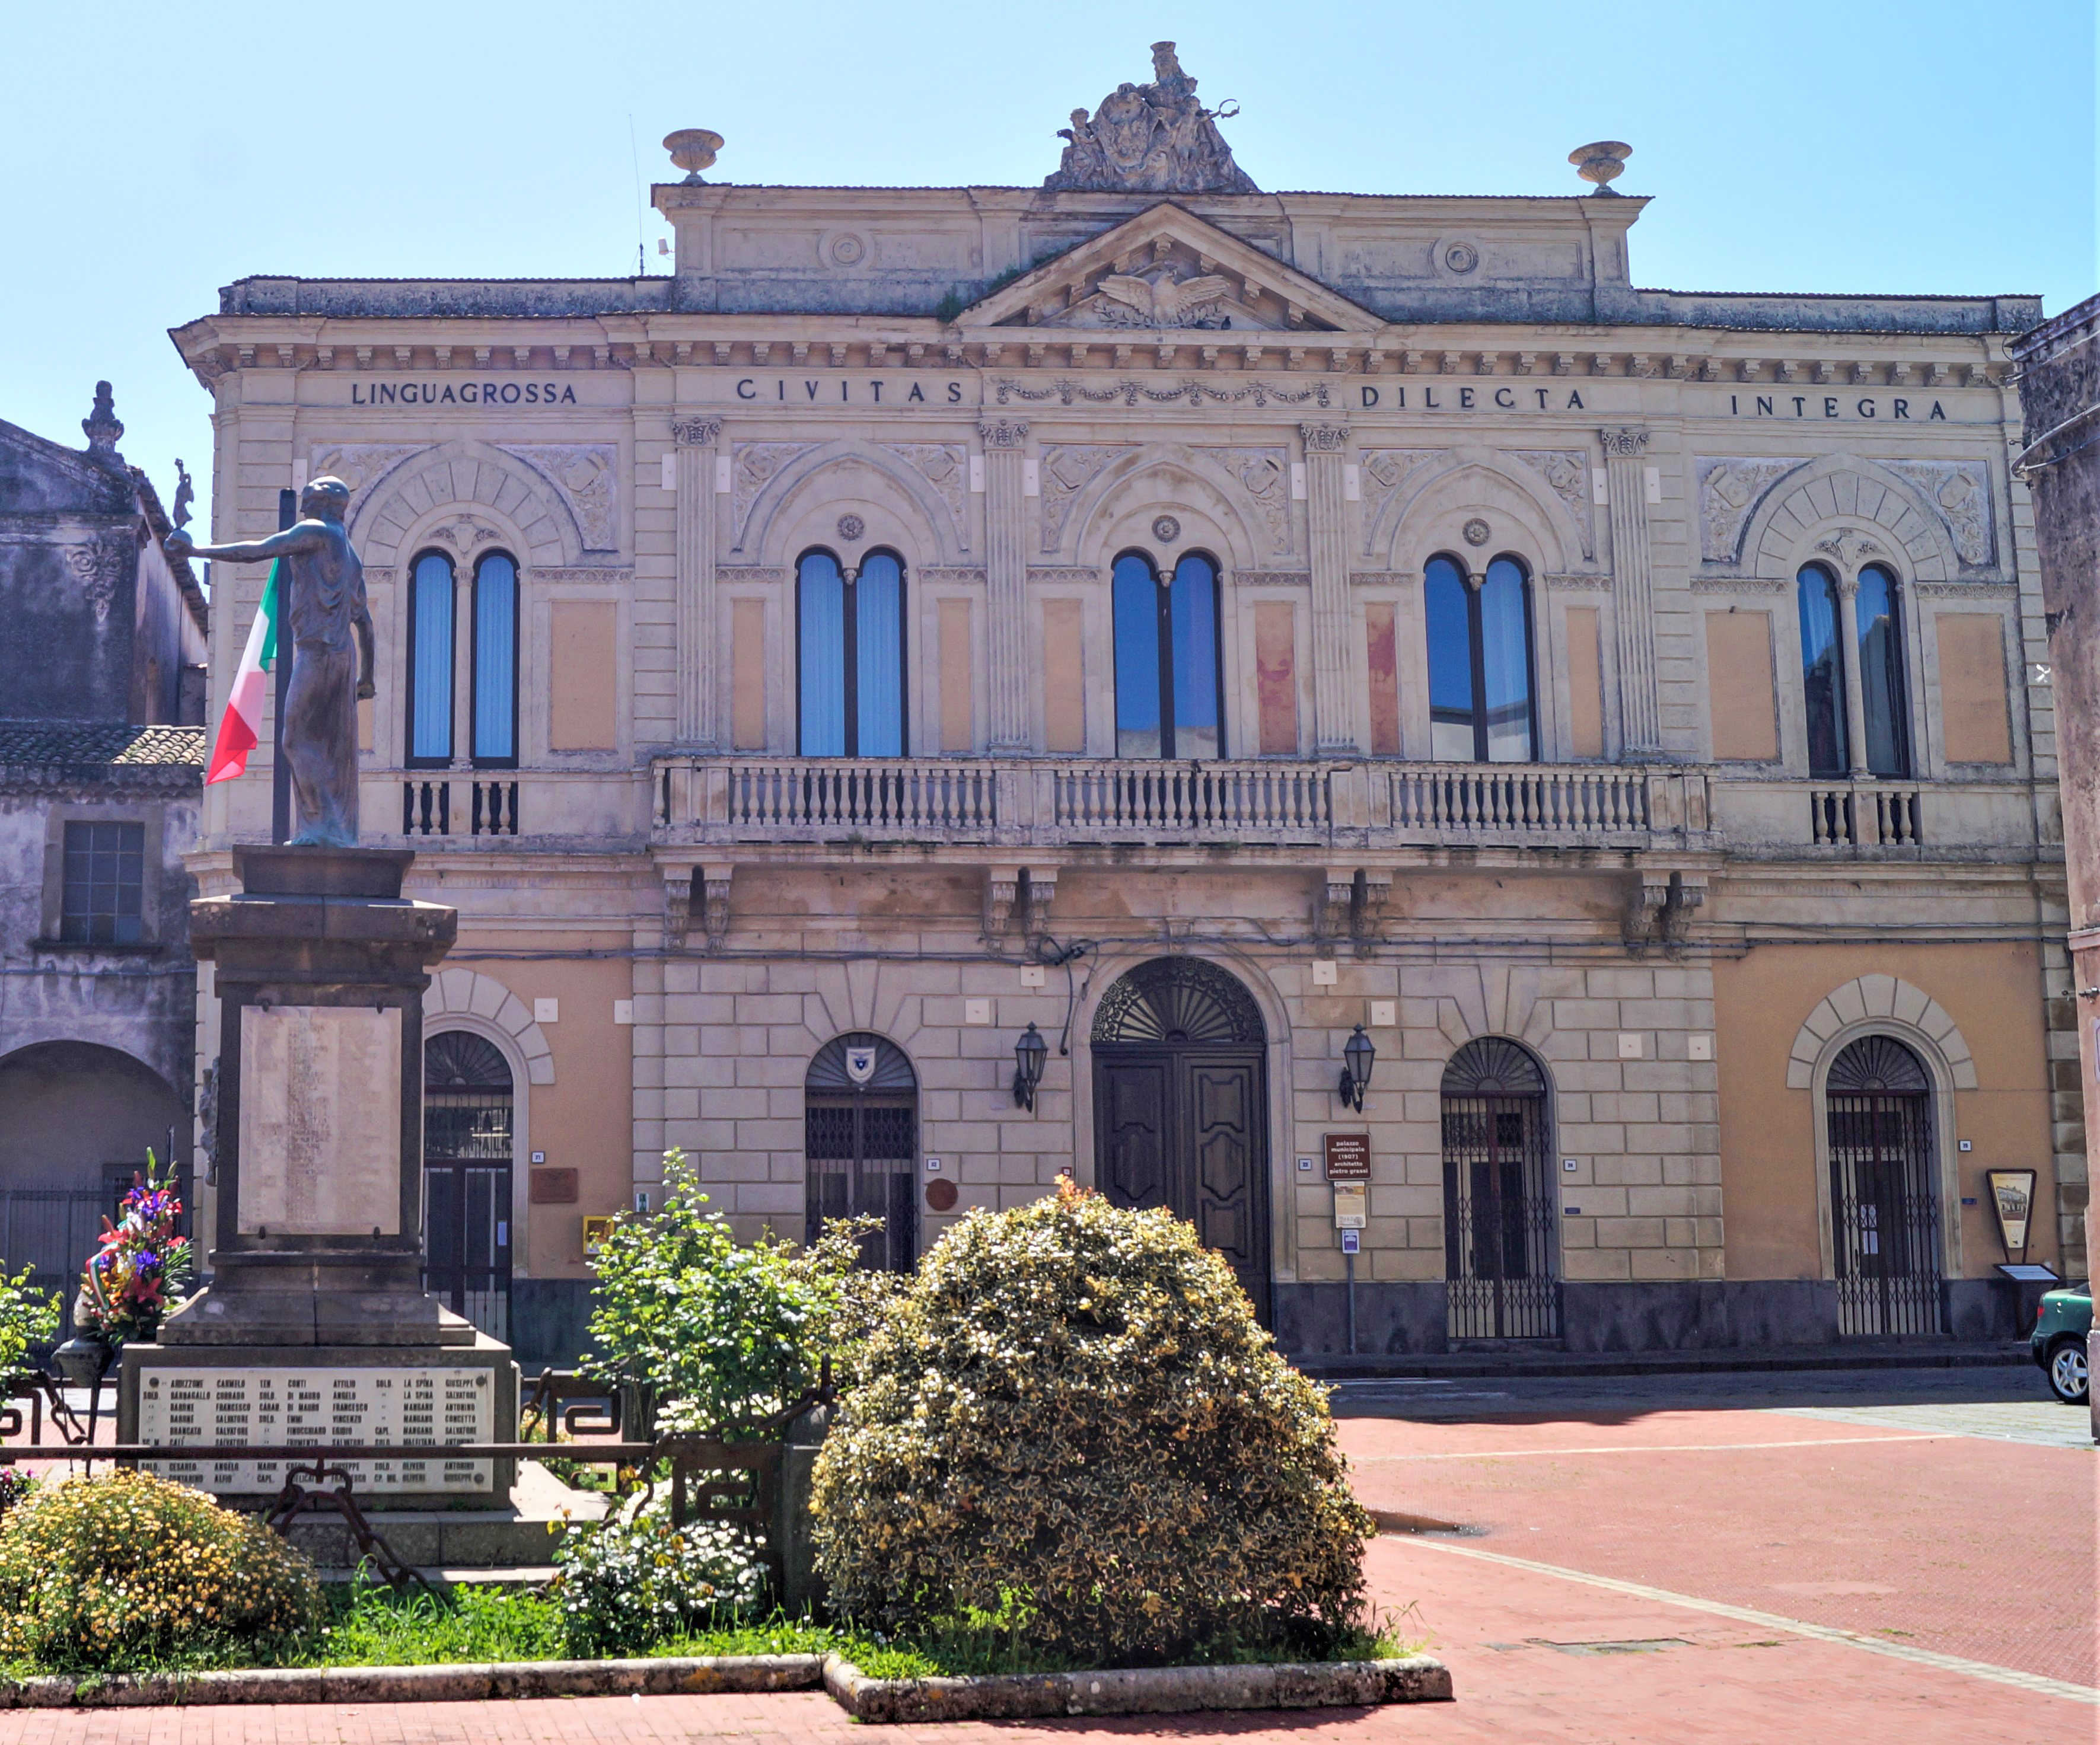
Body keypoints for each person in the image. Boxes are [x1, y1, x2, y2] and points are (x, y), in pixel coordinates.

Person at [167, 476, 374, 846]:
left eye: (308, 502)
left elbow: (258, 550)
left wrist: (196, 551)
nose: (304, 509)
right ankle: (334, 828)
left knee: (295, 740)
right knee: (330, 746)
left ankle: (319, 828)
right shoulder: (351, 556)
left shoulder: (316, 531)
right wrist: (367, 678)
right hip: (344, 658)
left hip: (316, 651)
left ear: (322, 505)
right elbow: (366, 623)